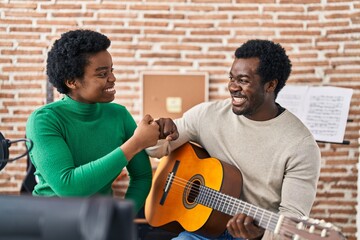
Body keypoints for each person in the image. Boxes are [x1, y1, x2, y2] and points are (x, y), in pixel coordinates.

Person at [146, 39, 321, 239]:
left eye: (243, 80)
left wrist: (259, 233)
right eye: (231, 78)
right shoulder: (207, 114)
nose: (232, 87)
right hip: (203, 231)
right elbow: (156, 150)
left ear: (270, 85)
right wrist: (159, 132)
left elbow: (292, 225)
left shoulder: (301, 145)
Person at [25, 29, 167, 213]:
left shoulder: (119, 114)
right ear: (71, 81)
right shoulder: (44, 120)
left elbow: (142, 176)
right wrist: (136, 143)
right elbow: (69, 188)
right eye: (102, 74)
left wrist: (120, 218)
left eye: (111, 71)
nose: (112, 79)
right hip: (49, 222)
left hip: (99, 223)